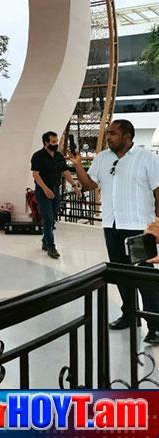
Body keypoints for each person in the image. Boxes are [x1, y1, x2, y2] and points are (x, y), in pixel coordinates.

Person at [70, 120, 159, 344]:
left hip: (139, 228)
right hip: (112, 225)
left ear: (127, 136)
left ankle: (155, 325)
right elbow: (90, 185)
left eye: (113, 133)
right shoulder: (102, 158)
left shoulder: (147, 158)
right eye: (108, 133)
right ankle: (130, 316)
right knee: (121, 275)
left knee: (144, 278)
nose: (108, 137)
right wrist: (78, 165)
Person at [30, 131, 79, 259]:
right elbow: (36, 174)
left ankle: (45, 240)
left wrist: (74, 186)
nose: (56, 144)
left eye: (56, 141)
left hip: (56, 190)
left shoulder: (58, 156)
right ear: (46, 142)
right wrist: (45, 189)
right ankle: (51, 246)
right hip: (43, 191)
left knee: (53, 218)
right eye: (53, 142)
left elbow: (65, 171)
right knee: (48, 217)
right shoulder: (38, 156)